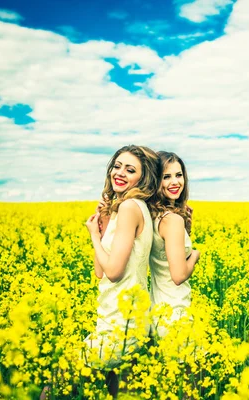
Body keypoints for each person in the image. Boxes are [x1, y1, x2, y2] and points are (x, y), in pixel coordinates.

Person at [84, 144, 160, 367]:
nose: (120, 173)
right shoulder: (128, 208)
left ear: (143, 179)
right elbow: (101, 272)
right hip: (116, 316)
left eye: (130, 170)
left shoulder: (129, 208)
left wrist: (94, 237)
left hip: (121, 321)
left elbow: (114, 272)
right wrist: (105, 223)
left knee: (55, 385)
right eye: (117, 166)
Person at [148, 151, 200, 338]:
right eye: (166, 177)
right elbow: (178, 275)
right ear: (155, 181)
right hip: (176, 313)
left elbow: (166, 254)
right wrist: (195, 254)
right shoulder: (172, 220)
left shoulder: (154, 215)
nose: (175, 182)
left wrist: (186, 229)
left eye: (179, 175)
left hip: (158, 310)